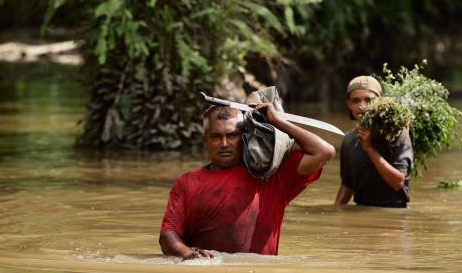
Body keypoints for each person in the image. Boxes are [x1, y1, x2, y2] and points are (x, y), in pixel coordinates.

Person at [160, 102, 335, 259]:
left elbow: (324, 151)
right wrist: (189, 254)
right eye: (216, 136)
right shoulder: (188, 182)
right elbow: (167, 235)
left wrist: (277, 121)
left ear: (245, 137)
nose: (224, 143)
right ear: (204, 140)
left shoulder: (271, 175)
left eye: (232, 135)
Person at [334, 75, 413, 208]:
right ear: (348, 104)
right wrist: (335, 212)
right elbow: (347, 185)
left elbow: (398, 182)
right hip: (361, 210)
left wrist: (369, 148)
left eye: (369, 100)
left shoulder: (397, 134)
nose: (362, 106)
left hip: (394, 213)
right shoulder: (349, 140)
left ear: (380, 102)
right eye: (356, 101)